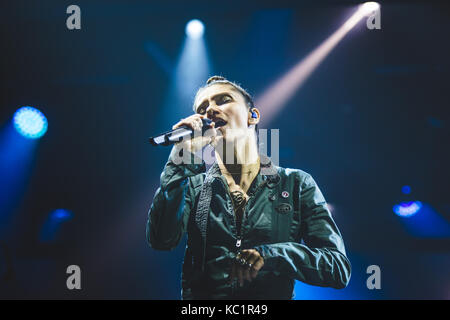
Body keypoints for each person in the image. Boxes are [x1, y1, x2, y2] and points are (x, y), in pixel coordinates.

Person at [146, 76, 351, 299]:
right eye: (202, 108)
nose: (210, 110)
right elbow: (162, 239)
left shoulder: (296, 183)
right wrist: (180, 157)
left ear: (253, 116)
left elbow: (337, 267)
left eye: (223, 100)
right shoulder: (193, 187)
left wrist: (270, 255)